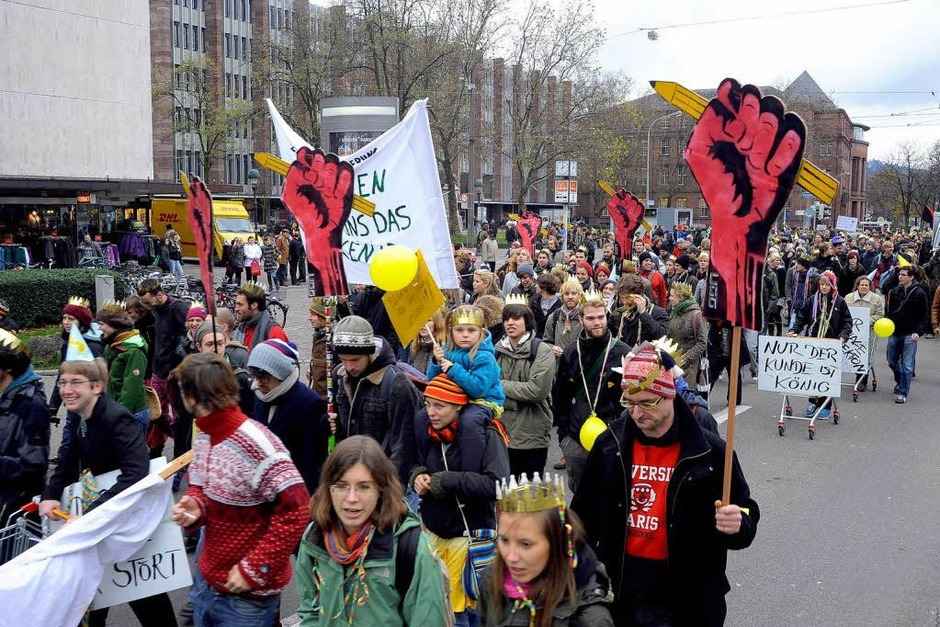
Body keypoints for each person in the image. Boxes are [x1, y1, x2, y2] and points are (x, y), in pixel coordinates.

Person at [571, 343, 759, 626]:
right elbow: (582, 515)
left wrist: (738, 524)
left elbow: (745, 513)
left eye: (647, 402)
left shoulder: (711, 453)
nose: (636, 413)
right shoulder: (610, 446)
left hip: (688, 598)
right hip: (621, 591)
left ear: (669, 395)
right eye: (629, 402)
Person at [171, 353, 309, 627]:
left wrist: (254, 569)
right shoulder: (205, 436)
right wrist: (194, 506)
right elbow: (200, 487)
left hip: (248, 600)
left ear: (192, 398)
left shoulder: (256, 444)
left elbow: (298, 509)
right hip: (207, 583)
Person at [40, 359, 176, 627]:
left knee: (144, 595)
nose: (66, 389)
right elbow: (67, 459)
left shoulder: (117, 418)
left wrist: (92, 514)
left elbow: (136, 473)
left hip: (129, 524)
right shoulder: (81, 416)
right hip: (104, 522)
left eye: (75, 382)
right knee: (97, 595)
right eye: (63, 382)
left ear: (97, 387)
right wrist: (50, 494)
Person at [296, 435, 450, 625]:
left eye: (364, 487)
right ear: (329, 489)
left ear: (380, 490)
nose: (351, 498)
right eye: (342, 486)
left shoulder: (408, 546)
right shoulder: (315, 538)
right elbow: (310, 612)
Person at [410, 375, 511, 626]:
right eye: (427, 404)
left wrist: (448, 481)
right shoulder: (427, 431)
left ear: (458, 406)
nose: (431, 412)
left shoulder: (488, 436)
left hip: (470, 540)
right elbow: (414, 463)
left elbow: (498, 485)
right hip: (435, 536)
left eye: (439, 406)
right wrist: (417, 477)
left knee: (467, 615)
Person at [480, 474, 615, 627]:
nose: (511, 557)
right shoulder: (491, 579)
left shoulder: (590, 619)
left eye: (525, 544)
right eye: (504, 540)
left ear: (557, 542)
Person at [553, 291, 629, 492]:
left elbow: (631, 399)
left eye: (601, 317)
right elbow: (560, 396)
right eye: (590, 318)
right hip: (576, 437)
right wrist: (564, 437)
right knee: (580, 494)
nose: (597, 322)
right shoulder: (571, 352)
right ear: (581, 319)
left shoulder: (622, 352)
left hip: (612, 435)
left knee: (610, 494)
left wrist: (622, 433)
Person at [332, 315, 421, 484]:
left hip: (382, 479)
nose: (349, 366)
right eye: (344, 360)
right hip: (352, 475)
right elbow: (342, 431)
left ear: (369, 353)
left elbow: (404, 447)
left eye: (355, 360)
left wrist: (389, 490)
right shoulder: (339, 375)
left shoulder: (397, 384)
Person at [248, 339, 330, 493]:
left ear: (281, 374)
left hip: (296, 491)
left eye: (264, 377)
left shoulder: (309, 404)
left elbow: (312, 462)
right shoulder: (260, 397)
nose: (258, 383)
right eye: (256, 376)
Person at [495, 300, 557, 477]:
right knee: (504, 492)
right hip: (502, 431)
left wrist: (500, 385)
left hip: (531, 434)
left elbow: (537, 390)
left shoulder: (542, 350)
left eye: (516, 318)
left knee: (528, 492)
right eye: (506, 319)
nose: (510, 323)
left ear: (527, 322)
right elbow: (487, 388)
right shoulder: (497, 350)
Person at [0, 330, 50, 544]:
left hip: (17, 507)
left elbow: (34, 465)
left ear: (8, 367)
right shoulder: (5, 394)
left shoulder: (31, 404)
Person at [137, 278, 189, 456]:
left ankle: (180, 452)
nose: (146, 307)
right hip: (158, 371)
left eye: (147, 302)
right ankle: (155, 449)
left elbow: (187, 337)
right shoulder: (155, 310)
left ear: (159, 295)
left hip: (175, 373)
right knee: (156, 414)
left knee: (178, 416)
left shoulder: (178, 308)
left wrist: (177, 362)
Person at [791, 270, 853, 416]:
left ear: (832, 285)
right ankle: (813, 403)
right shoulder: (812, 300)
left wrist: (843, 336)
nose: (824, 287)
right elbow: (801, 317)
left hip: (831, 344)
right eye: (822, 284)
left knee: (827, 375)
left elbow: (847, 322)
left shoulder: (840, 301)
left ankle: (825, 406)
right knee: (813, 373)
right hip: (813, 342)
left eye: (827, 284)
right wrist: (795, 329)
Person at [428, 304, 506, 413]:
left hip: (482, 402)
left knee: (469, 420)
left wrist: (453, 369)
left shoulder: (485, 357)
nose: (465, 335)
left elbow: (478, 390)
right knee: (424, 416)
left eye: (471, 330)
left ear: (480, 332)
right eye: (459, 330)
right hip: (453, 399)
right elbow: (431, 381)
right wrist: (437, 361)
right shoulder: (446, 352)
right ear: (451, 331)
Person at [96, 302, 150, 427]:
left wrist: (120, 417)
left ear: (114, 325)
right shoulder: (112, 346)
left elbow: (131, 388)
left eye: (102, 324)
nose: (99, 328)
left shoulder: (134, 351)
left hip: (130, 414)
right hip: (114, 410)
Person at [48, 296, 103, 417]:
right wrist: (53, 407)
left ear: (81, 321)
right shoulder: (68, 342)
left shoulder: (93, 345)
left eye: (71, 319)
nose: (66, 322)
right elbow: (62, 375)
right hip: (72, 400)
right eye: (64, 318)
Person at [885, 265, 930, 404]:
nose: (900, 277)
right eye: (899, 274)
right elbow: (889, 310)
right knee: (891, 360)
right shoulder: (895, 291)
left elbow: (924, 315)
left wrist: (918, 332)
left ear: (911, 277)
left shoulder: (919, 293)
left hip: (910, 333)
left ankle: (903, 392)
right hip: (895, 331)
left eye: (903, 275)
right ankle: (900, 381)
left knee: (907, 364)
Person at [844, 276, 884, 390]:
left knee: (864, 356)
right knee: (851, 353)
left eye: (866, 285)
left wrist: (866, 320)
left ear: (870, 286)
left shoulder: (876, 299)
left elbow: (880, 315)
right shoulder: (849, 297)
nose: (864, 287)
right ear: (857, 286)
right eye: (862, 285)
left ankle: (861, 381)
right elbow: (844, 312)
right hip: (851, 331)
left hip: (869, 331)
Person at [665, 283, 707, 390]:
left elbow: (702, 342)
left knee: (686, 397)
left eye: (672, 296)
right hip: (674, 363)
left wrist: (686, 358)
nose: (669, 298)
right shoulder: (674, 312)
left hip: (690, 368)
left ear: (681, 297)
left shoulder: (696, 315)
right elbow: (670, 336)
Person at [610, 275, 668, 349]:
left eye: (628, 298)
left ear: (639, 296)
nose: (624, 302)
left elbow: (662, 337)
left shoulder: (658, 312)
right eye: (622, 298)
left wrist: (643, 313)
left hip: (646, 358)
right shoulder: (619, 313)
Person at [232, 282, 289, 349]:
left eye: (240, 304)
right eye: (236, 304)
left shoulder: (274, 332)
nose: (236, 309)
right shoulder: (242, 327)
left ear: (254, 305)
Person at [543, 278, 583, 357]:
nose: (570, 297)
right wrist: (552, 348)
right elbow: (546, 342)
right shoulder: (554, 317)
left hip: (580, 363)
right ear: (562, 296)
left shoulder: (585, 316)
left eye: (574, 293)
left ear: (579, 296)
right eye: (566, 294)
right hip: (559, 363)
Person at [530, 273, 561, 338]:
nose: (535, 286)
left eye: (537, 284)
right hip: (537, 339)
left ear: (543, 287)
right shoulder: (535, 301)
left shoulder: (559, 303)